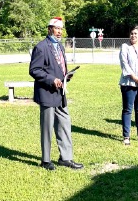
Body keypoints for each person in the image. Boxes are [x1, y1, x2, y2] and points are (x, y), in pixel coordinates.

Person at [29, 17, 83, 171]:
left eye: (61, 29)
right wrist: (52, 80)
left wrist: (66, 76)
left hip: (60, 93)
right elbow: (34, 70)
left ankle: (66, 158)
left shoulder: (60, 46)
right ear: (50, 29)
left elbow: (58, 67)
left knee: (65, 124)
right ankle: (46, 160)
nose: (59, 32)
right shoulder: (41, 47)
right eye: (57, 28)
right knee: (47, 128)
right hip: (47, 93)